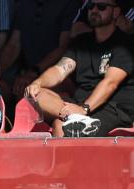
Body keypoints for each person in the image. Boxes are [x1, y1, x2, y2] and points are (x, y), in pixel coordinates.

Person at [25, 0, 133, 137]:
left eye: (101, 7)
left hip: (113, 109)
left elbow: (110, 83)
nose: (94, 10)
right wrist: (37, 83)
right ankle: (76, 119)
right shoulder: (81, 42)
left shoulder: (125, 44)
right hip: (80, 107)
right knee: (37, 94)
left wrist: (84, 108)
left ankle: (77, 121)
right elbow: (59, 70)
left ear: (116, 12)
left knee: (60, 126)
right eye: (90, 6)